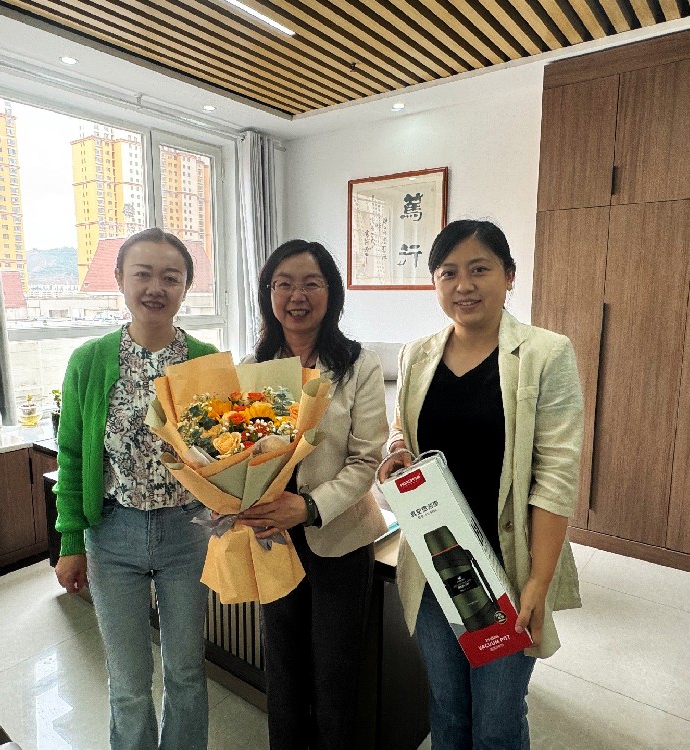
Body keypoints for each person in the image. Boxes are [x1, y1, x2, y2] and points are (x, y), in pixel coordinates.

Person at [379, 219, 584, 750]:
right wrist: (396, 451)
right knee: (447, 709)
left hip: (507, 567)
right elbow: (402, 427)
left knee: (496, 721)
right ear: (435, 283)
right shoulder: (417, 353)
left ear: (509, 275)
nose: (463, 285)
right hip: (436, 562)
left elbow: (556, 476)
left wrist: (538, 582)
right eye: (448, 273)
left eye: (479, 269)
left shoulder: (545, 354)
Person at [53, 227, 218, 750]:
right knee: (128, 682)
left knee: (186, 670)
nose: (155, 288)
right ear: (120, 279)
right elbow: (72, 456)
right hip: (113, 533)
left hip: (187, 533)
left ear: (186, 286)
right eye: (142, 274)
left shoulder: (205, 360)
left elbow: (224, 453)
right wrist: (70, 541)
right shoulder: (89, 360)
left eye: (171, 277)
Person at [236, 239, 389, 750]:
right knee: (283, 670)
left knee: (334, 675)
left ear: (331, 293)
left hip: (338, 538)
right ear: (268, 293)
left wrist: (309, 506)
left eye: (311, 283)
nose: (296, 296)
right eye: (283, 284)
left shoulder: (358, 364)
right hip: (272, 540)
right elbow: (236, 450)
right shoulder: (252, 366)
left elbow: (366, 460)